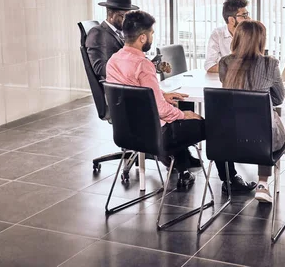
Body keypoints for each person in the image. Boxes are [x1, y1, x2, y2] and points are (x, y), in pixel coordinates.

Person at [106, 10, 256, 193]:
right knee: (216, 126)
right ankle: (230, 180)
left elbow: (132, 90)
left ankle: (183, 170)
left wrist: (161, 94)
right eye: (152, 33)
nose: (153, 37)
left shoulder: (114, 60)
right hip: (156, 136)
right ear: (143, 38)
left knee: (177, 114)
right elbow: (161, 110)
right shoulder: (142, 64)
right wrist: (182, 114)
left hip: (128, 132)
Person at [219, 20, 285, 203]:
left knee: (263, 116)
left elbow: (230, 93)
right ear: (261, 41)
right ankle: (263, 184)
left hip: (228, 138)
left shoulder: (224, 63)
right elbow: (279, 98)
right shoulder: (270, 64)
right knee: (268, 116)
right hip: (261, 139)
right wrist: (262, 102)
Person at [85, 0, 171, 79]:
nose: (126, 21)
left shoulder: (124, 32)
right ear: (110, 13)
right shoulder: (97, 33)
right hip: (118, 87)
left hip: (132, 82)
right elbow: (99, 68)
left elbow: (132, 57)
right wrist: (134, 66)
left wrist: (154, 66)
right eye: (123, 16)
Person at [204, 0, 251, 73]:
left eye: (247, 14)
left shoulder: (252, 33)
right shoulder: (218, 34)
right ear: (231, 20)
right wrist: (237, 68)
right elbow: (209, 65)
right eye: (244, 15)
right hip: (224, 82)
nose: (249, 18)